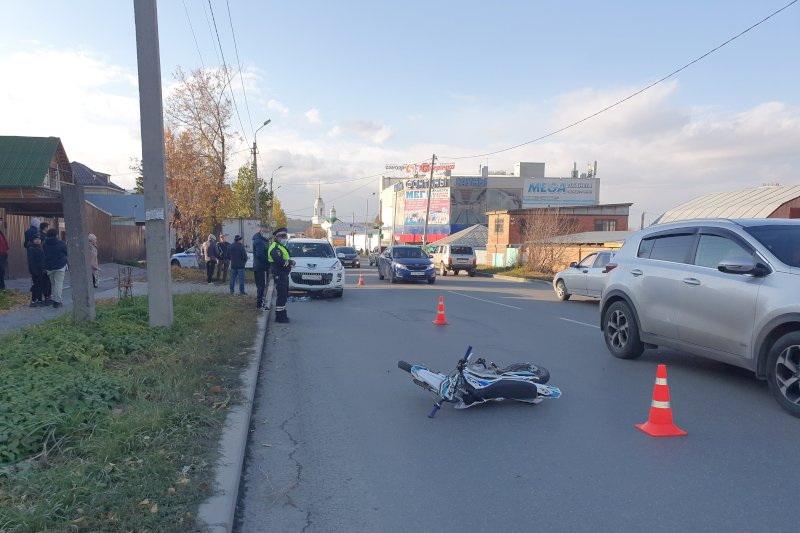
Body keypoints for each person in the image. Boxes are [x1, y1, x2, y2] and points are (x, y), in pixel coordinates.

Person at [268, 227, 294, 323]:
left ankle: (283, 314)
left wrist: (289, 262)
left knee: (284, 295)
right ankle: (280, 317)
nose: (284, 238)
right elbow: (280, 261)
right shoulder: (275, 248)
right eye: (282, 236)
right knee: (281, 295)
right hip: (279, 274)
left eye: (285, 236)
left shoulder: (281, 247)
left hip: (283, 274)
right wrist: (290, 262)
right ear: (277, 237)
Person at [43, 228, 67, 308]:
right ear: (56, 235)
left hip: (49, 267)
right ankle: (57, 301)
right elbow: (66, 252)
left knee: (53, 284)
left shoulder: (45, 244)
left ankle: (55, 299)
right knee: (58, 284)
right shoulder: (61, 243)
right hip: (60, 266)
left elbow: (44, 254)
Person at [252, 224, 270, 309]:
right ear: (262, 230)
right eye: (266, 231)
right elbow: (260, 255)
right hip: (261, 267)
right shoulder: (259, 241)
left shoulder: (260, 240)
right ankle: (260, 304)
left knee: (261, 286)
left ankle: (260, 303)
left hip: (259, 266)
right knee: (261, 286)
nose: (267, 232)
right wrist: (267, 263)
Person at [26, 236, 47, 306]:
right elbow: (31, 262)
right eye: (36, 239)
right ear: (32, 240)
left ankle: (38, 300)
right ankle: (35, 300)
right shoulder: (31, 249)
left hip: (41, 270)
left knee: (39, 285)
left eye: (39, 239)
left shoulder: (39, 247)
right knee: (36, 285)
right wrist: (34, 271)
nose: (38, 240)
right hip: (36, 271)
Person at [0, 218, 8, 290]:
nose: (1, 223)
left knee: (2, 271)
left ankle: (2, 287)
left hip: (3, 254)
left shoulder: (0, 232)